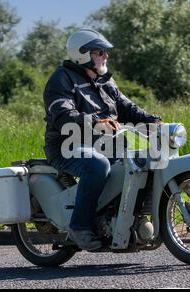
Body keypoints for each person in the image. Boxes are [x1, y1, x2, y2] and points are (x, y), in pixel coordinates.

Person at [43, 29, 162, 251]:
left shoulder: (105, 81)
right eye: (100, 51)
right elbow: (62, 113)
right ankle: (79, 227)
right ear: (82, 54)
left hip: (108, 144)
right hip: (67, 147)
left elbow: (127, 108)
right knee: (97, 164)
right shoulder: (61, 79)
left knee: (146, 161)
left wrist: (154, 122)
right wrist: (96, 122)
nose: (105, 55)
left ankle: (128, 219)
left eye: (105, 51)